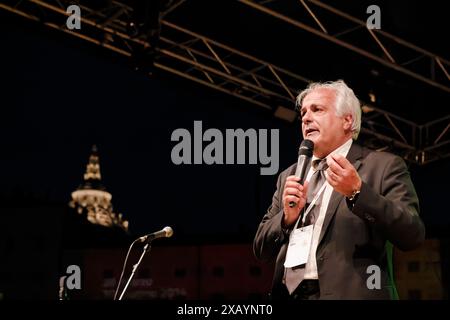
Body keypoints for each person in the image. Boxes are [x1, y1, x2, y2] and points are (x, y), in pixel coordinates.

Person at [253, 80, 425, 300]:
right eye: (304, 112)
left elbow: (412, 234)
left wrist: (358, 192)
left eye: (317, 109)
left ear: (347, 120)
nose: (305, 118)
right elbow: (261, 250)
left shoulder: (382, 166)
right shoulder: (289, 176)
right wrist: (286, 219)